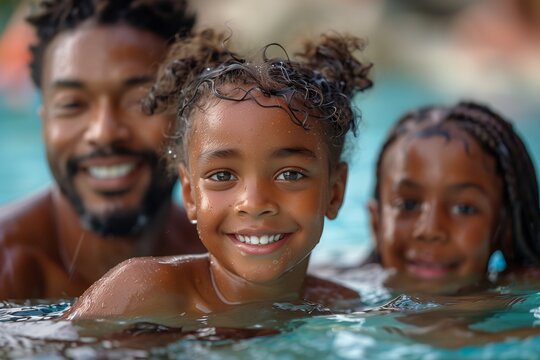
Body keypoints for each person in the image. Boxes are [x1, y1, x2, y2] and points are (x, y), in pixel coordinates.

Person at [65, 29, 373, 322]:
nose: (254, 203)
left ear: (334, 192)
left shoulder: (341, 305)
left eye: (290, 175)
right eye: (223, 175)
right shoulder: (141, 293)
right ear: (189, 194)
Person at [0, 0, 206, 300]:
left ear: (189, 112)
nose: (104, 133)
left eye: (140, 100)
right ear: (44, 122)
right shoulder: (8, 270)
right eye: (72, 104)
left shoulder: (222, 258)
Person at [362, 101, 540, 291]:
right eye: (408, 205)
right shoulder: (339, 299)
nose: (429, 230)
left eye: (463, 209)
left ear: (504, 229)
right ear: (376, 222)